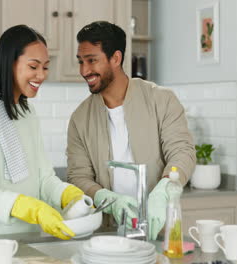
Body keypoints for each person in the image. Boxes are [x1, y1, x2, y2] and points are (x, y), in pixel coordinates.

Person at [0, 25, 85, 240]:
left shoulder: (27, 111)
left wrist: (68, 195)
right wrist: (32, 209)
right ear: (10, 63)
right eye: (33, 66)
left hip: (23, 238)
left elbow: (44, 179)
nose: (41, 75)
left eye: (45, 67)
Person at [67, 21, 196, 240]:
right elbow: (78, 175)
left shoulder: (161, 100)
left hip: (159, 230)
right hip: (106, 234)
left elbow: (182, 152)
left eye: (92, 60)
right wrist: (105, 197)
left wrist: (164, 191)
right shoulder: (80, 118)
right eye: (81, 61)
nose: (84, 70)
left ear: (115, 58)